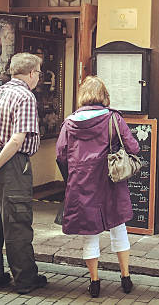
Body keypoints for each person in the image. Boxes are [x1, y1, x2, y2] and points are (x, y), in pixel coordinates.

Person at [56, 76, 138, 298]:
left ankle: (94, 282)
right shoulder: (113, 119)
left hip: (81, 183)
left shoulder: (70, 122)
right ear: (105, 96)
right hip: (111, 181)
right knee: (118, 227)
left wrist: (72, 176)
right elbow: (134, 147)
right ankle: (126, 277)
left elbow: (61, 154)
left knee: (89, 233)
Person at [0, 53, 47, 294]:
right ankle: (25, 280)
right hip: (12, 163)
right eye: (39, 73)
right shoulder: (25, 96)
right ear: (33, 73)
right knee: (17, 222)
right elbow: (17, 140)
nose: (38, 77)